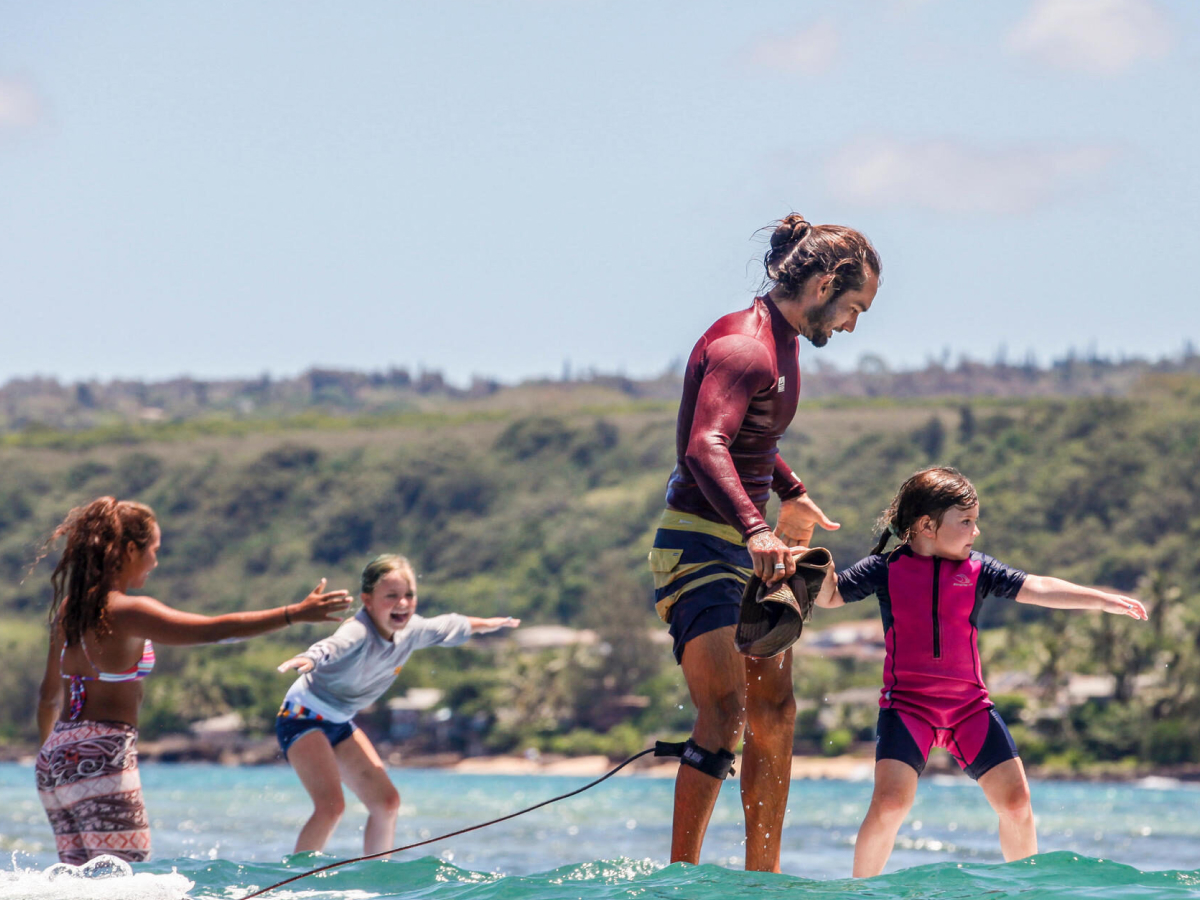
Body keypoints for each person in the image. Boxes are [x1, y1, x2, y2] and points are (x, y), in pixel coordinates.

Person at [647, 213, 881, 871]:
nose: (852, 325)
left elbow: (756, 437)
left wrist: (792, 489)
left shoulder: (783, 345)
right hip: (700, 545)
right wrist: (755, 526)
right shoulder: (744, 347)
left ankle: (762, 879)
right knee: (724, 710)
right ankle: (681, 878)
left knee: (775, 708)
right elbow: (705, 444)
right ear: (826, 282)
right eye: (854, 306)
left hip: (755, 545)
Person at [817, 467, 1148, 877]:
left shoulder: (980, 570)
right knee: (890, 803)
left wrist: (1101, 600)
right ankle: (861, 891)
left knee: (1016, 803)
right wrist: (810, 559)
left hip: (969, 710)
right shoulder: (885, 569)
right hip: (908, 709)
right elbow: (830, 595)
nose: (977, 531)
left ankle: (1024, 887)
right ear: (926, 526)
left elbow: (1039, 587)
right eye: (967, 522)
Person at [34, 496, 352, 865]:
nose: (155, 560)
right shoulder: (129, 611)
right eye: (154, 550)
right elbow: (214, 631)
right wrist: (292, 614)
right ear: (131, 550)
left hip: (55, 760)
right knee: (122, 878)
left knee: (78, 884)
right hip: (102, 755)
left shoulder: (70, 608)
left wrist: (53, 758)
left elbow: (46, 697)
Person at [275, 553, 519, 857]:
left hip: (339, 721)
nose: (402, 603)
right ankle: (294, 883)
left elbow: (446, 626)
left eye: (409, 595)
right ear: (368, 600)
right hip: (302, 715)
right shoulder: (359, 631)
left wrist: (487, 624)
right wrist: (310, 658)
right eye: (391, 596)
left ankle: (377, 879)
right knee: (331, 807)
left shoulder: (411, 630)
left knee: (386, 802)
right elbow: (333, 646)